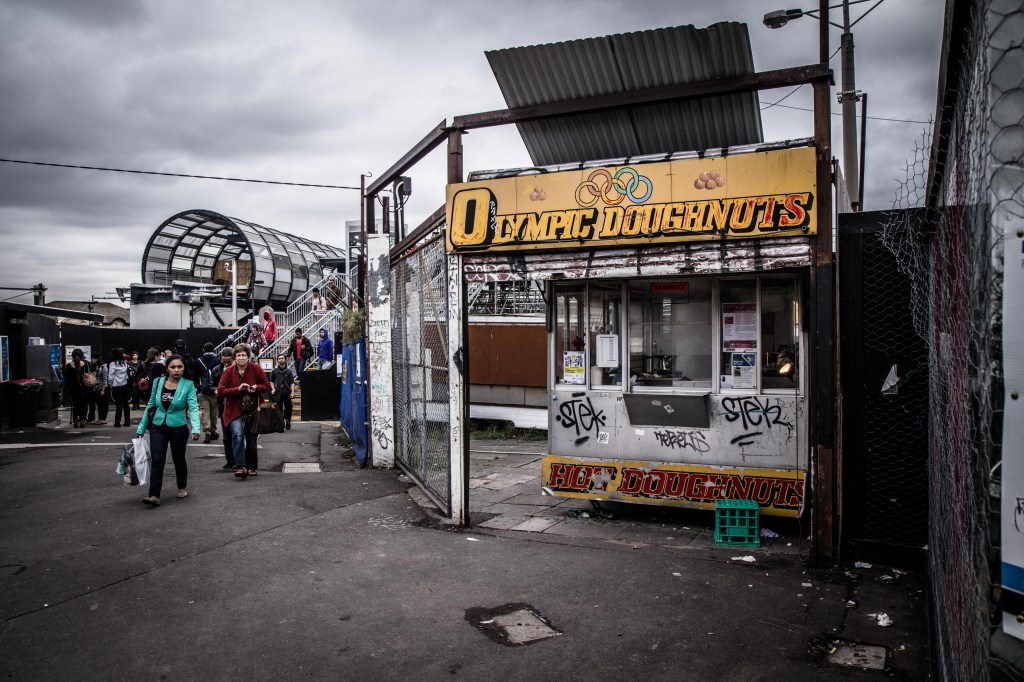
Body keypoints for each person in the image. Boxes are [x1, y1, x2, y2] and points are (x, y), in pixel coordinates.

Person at [136, 354, 201, 506]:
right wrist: (141, 428)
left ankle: (181, 486)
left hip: (178, 426)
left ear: (184, 368)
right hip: (158, 426)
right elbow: (151, 405)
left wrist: (196, 428)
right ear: (167, 368)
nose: (176, 370)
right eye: (173, 367)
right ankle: (153, 495)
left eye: (179, 367)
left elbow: (193, 406)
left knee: (178, 459)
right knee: (157, 460)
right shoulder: (158, 382)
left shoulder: (188, 385)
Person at [218, 344, 269, 479]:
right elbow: (221, 390)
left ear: (248, 357)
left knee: (251, 438)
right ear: (235, 357)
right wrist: (237, 389)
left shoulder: (255, 368)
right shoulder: (228, 371)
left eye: (244, 355)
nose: (241, 358)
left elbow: (266, 385)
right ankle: (241, 466)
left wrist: (256, 387)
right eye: (239, 355)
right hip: (234, 409)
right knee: (238, 435)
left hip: (252, 409)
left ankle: (251, 466)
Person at [210, 347, 236, 469]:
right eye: (224, 361)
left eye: (228, 362)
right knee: (226, 435)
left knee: (237, 434)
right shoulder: (217, 370)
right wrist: (215, 390)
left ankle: (238, 460)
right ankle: (230, 460)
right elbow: (211, 384)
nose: (226, 364)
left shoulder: (239, 369)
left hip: (237, 406)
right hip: (223, 405)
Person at [195, 342, 220, 443]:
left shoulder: (199, 361)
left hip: (203, 390)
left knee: (205, 412)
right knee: (214, 412)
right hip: (214, 391)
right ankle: (213, 431)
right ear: (213, 350)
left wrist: (198, 387)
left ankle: (207, 433)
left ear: (203, 350)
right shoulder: (217, 361)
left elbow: (195, 375)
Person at [63, 348, 90, 428]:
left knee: (76, 404)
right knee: (84, 404)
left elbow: (68, 378)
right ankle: (83, 420)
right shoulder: (85, 364)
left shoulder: (69, 366)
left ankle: (75, 420)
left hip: (74, 388)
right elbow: (87, 375)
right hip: (84, 387)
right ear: (82, 356)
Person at [269, 354, 296, 430]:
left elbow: (292, 382)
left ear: (285, 360)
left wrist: (292, 392)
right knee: (279, 409)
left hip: (287, 392)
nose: (281, 359)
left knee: (289, 408)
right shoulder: (274, 371)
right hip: (278, 393)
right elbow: (271, 381)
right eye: (279, 358)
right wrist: (273, 389)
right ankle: (280, 424)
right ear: (277, 360)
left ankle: (288, 421)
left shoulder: (289, 371)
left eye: (282, 358)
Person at [106, 348, 132, 427]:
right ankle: (127, 421)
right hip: (125, 385)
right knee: (126, 403)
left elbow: (110, 376)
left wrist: (110, 385)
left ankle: (117, 421)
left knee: (119, 404)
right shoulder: (125, 363)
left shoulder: (113, 364)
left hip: (116, 386)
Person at [87, 352, 109, 425]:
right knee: (99, 404)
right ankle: (100, 418)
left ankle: (103, 418)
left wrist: (103, 389)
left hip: (101, 387)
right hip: (95, 388)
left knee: (103, 404)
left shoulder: (103, 367)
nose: (92, 360)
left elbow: (105, 379)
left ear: (97, 359)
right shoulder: (94, 366)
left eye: (93, 359)